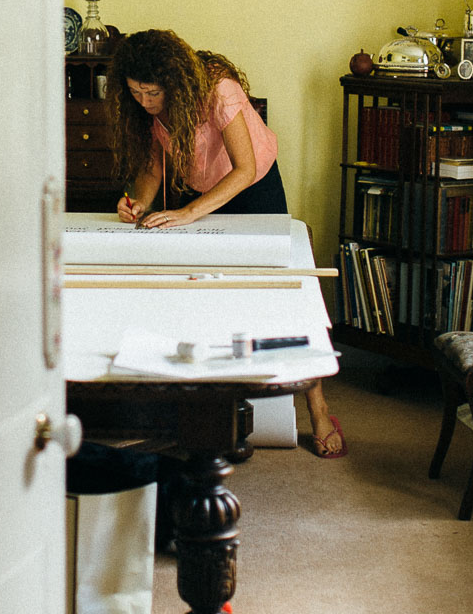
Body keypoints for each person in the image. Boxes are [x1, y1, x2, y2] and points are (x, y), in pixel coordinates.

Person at [106, 29, 346, 459]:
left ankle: (318, 407)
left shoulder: (219, 90)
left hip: (252, 184)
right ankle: (207, 405)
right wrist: (136, 202)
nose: (145, 102)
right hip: (202, 190)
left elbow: (244, 168)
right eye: (136, 93)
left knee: (280, 292)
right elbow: (151, 171)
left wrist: (189, 212)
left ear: (175, 83)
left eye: (152, 93)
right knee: (203, 290)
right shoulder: (147, 108)